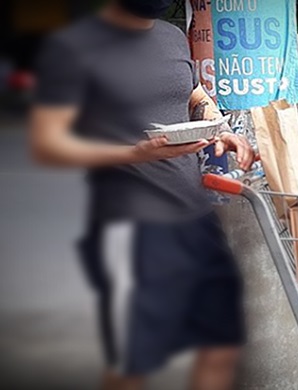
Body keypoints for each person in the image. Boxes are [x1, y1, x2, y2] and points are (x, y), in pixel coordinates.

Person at [29, 1, 254, 389]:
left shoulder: (170, 37)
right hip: (124, 218)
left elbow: (193, 94)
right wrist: (135, 153)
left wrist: (216, 126)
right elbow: (47, 145)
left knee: (221, 342)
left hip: (193, 211)